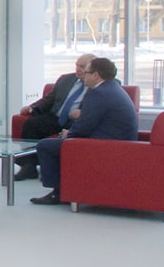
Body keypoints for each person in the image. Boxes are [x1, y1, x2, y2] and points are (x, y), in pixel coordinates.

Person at [30, 56, 137, 205]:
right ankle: (67, 188)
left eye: (86, 72)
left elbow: (84, 125)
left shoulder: (98, 93)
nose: (82, 75)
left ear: (96, 75)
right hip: (121, 143)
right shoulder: (112, 87)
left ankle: (59, 192)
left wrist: (69, 134)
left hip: (104, 146)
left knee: (45, 145)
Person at [13, 53, 93, 179]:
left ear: (92, 68)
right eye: (77, 65)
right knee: (31, 124)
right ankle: (28, 167)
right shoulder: (66, 79)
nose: (78, 69)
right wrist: (32, 108)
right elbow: (49, 99)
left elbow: (100, 107)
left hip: (76, 121)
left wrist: (84, 112)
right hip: (57, 118)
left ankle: (56, 171)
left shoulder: (98, 84)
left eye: (82, 67)